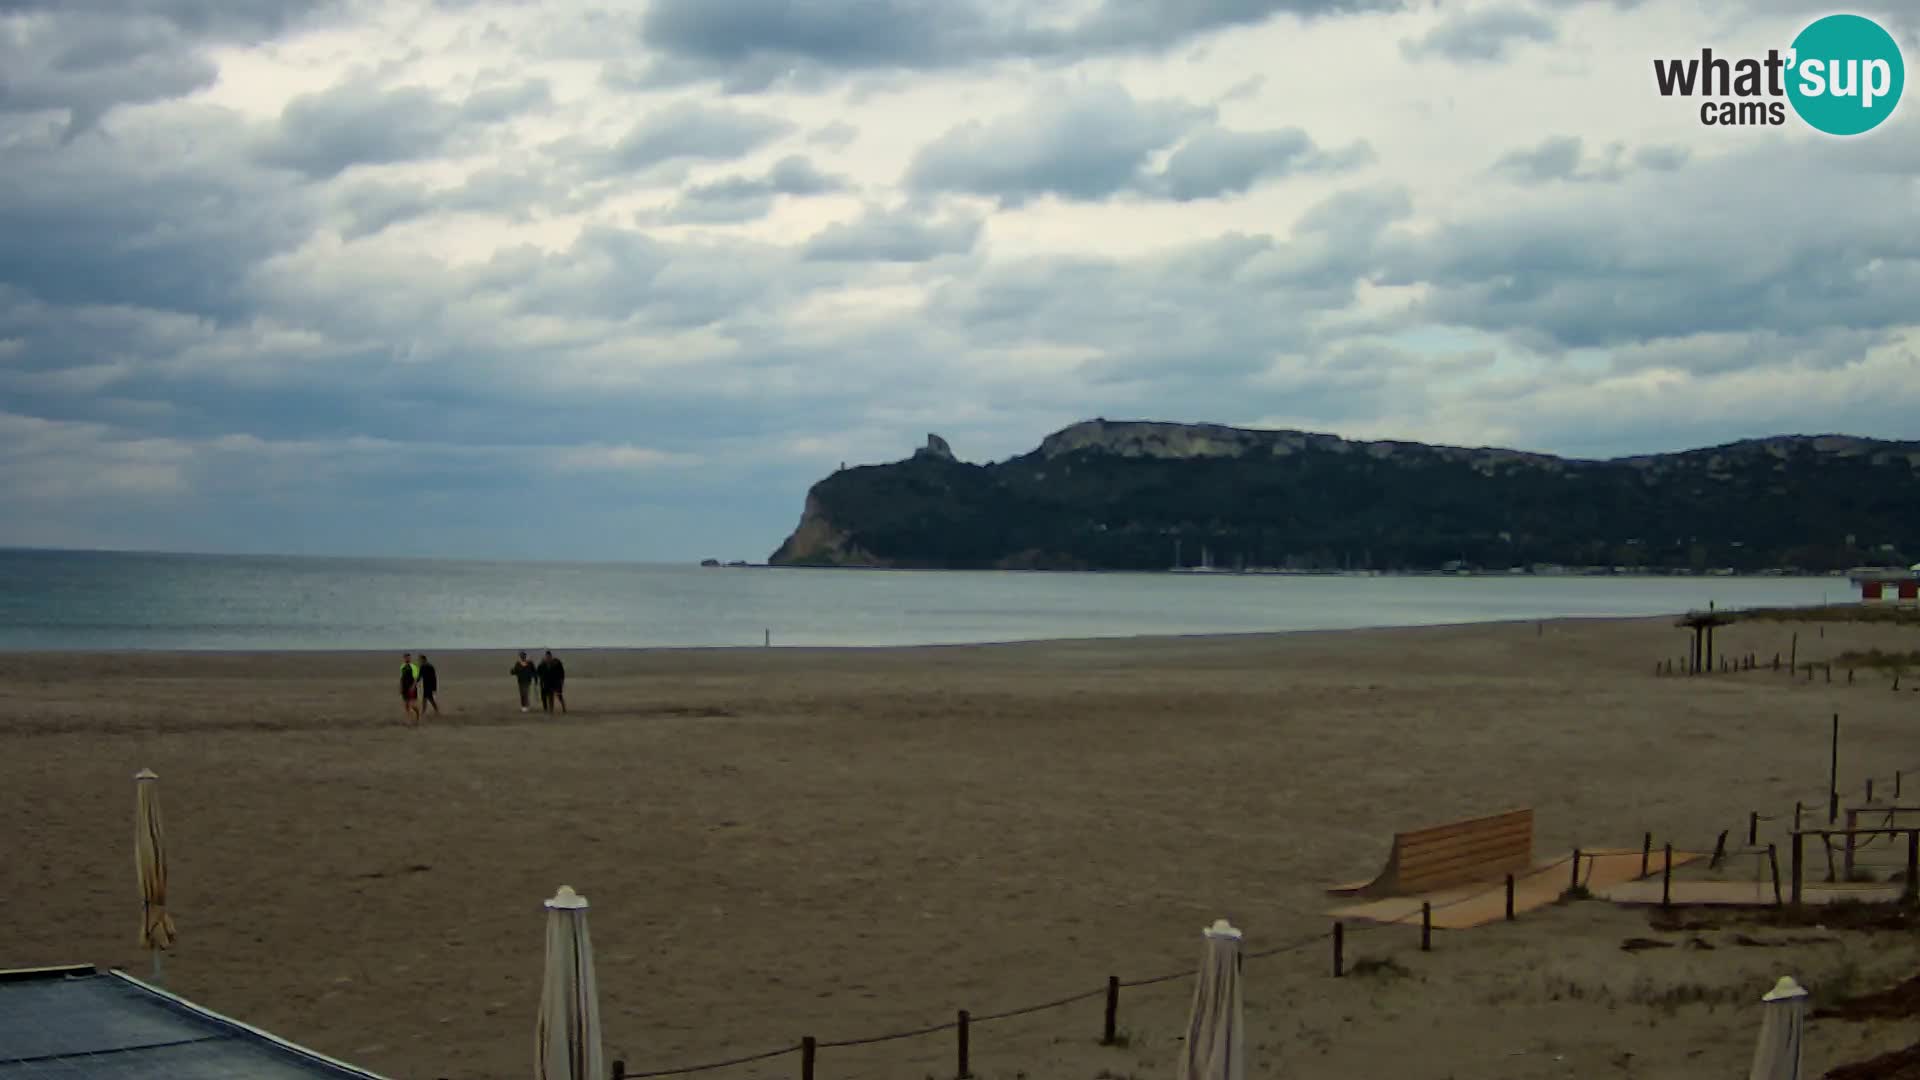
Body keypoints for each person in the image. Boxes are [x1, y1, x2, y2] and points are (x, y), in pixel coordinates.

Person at [398, 652, 420, 725]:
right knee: (406, 705)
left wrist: (413, 687)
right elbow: (401, 678)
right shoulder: (402, 667)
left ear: (410, 658)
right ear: (404, 658)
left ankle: (415, 717)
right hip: (405, 687)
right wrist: (401, 687)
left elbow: (415, 678)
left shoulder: (413, 667)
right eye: (406, 657)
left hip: (411, 688)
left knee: (411, 704)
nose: (407, 658)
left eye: (409, 657)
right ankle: (409, 719)